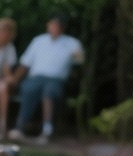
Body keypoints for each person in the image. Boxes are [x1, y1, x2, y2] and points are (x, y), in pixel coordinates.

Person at [10, 15, 84, 144]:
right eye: (51, 25)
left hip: (56, 80)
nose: (53, 28)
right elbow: (25, 63)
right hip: (36, 77)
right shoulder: (38, 41)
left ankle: (47, 130)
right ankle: (20, 127)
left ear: (62, 28)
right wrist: (15, 79)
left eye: (56, 26)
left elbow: (80, 61)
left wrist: (77, 56)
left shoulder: (72, 43)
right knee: (28, 89)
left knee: (48, 93)